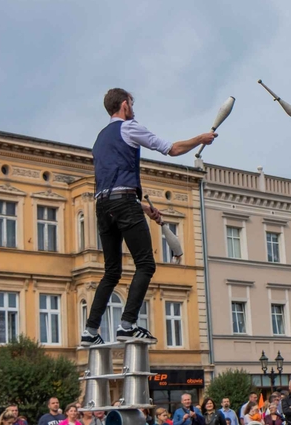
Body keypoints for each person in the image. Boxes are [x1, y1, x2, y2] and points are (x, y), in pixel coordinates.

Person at [82, 88, 215, 346]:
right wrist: (201, 138)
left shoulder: (99, 139)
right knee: (146, 264)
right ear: (124, 105)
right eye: (132, 103)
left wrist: (143, 208)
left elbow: (111, 186)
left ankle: (90, 331)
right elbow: (172, 149)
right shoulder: (129, 127)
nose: (133, 107)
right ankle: (127, 325)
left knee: (111, 272)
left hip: (103, 205)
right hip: (123, 203)